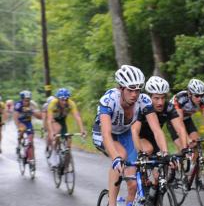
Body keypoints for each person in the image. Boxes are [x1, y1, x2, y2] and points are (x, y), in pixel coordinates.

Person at [92, 65, 169, 206]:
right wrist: (116, 158)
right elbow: (107, 133)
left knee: (133, 184)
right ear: (121, 88)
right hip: (103, 133)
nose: (134, 94)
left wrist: (165, 153)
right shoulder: (109, 100)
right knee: (121, 155)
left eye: (138, 89)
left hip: (124, 132)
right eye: (130, 89)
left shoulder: (143, 101)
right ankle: (112, 203)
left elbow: (157, 130)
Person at [131, 76, 189, 155]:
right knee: (148, 149)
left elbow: (180, 128)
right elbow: (135, 131)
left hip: (154, 138)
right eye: (156, 98)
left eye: (162, 98)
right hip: (137, 137)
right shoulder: (142, 106)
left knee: (169, 164)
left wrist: (184, 148)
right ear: (149, 97)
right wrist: (140, 153)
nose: (160, 103)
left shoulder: (168, 107)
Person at [168, 78, 204, 150]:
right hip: (174, 121)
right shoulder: (181, 98)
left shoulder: (203, 99)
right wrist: (187, 138)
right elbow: (179, 121)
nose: (200, 98)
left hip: (187, 119)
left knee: (196, 144)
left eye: (202, 95)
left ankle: (193, 161)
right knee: (183, 148)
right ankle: (174, 161)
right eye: (197, 96)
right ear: (189, 94)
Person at [47, 88, 86, 168]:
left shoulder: (71, 103)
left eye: (66, 99)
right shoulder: (53, 104)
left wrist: (82, 130)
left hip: (62, 120)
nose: (64, 102)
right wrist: (51, 132)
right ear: (58, 99)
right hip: (54, 120)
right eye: (62, 100)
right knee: (57, 131)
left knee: (68, 138)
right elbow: (49, 120)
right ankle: (54, 155)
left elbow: (77, 117)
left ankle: (66, 164)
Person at [14, 90, 42, 168]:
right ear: (22, 99)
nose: (27, 101)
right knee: (22, 130)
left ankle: (31, 159)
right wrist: (18, 126)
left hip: (28, 122)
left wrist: (33, 111)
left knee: (31, 141)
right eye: (25, 100)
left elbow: (39, 116)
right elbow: (15, 117)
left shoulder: (32, 104)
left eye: (28, 99)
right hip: (21, 122)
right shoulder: (18, 104)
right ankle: (19, 144)